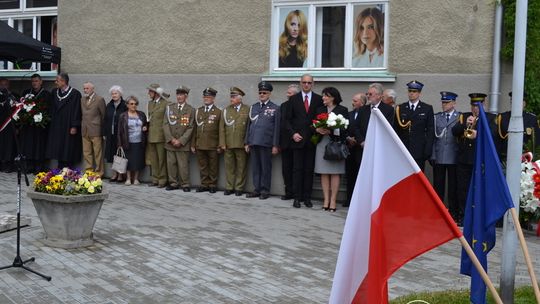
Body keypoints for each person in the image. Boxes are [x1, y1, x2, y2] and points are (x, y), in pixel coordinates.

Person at [452, 93, 496, 225]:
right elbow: (454, 131)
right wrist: (466, 124)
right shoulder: (464, 116)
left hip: (479, 159)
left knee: (479, 189)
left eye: (478, 106)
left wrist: (478, 134)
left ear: (483, 105)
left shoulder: (490, 118)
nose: (475, 108)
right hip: (464, 159)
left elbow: (493, 135)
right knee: (463, 189)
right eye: (473, 105)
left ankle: (479, 217)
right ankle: (463, 216)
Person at [284, 74, 323, 208]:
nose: (306, 85)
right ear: (300, 83)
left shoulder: (318, 99)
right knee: (297, 169)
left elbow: (320, 118)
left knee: (308, 169)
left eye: (309, 83)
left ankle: (307, 197)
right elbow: (287, 120)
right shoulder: (293, 99)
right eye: (304, 82)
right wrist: (293, 134)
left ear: (313, 84)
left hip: (312, 140)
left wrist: (318, 130)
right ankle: (297, 197)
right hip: (297, 139)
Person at [314, 87, 349, 212]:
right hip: (322, 143)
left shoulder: (342, 110)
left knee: (335, 172)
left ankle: (333, 200)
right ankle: (326, 200)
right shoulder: (320, 109)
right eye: (323, 95)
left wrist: (332, 130)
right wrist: (317, 129)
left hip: (335, 145)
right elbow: (313, 123)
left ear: (333, 97)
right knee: (323, 172)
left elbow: (345, 128)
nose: (323, 98)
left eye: (326, 96)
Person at [245, 82, 280, 200]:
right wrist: (247, 142)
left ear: (269, 93)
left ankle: (265, 190)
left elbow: (276, 128)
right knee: (256, 168)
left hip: (266, 142)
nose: (262, 94)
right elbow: (248, 126)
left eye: (264, 92)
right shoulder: (253, 107)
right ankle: (257, 189)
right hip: (254, 142)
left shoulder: (275, 108)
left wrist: (275, 145)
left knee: (266, 168)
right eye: (260, 92)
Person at [431, 91, 460, 221]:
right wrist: (432, 155)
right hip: (439, 156)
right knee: (438, 186)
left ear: (454, 103)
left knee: (453, 187)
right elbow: (433, 138)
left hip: (454, 156)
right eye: (443, 102)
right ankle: (438, 211)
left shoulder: (460, 117)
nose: (444, 105)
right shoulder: (437, 117)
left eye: (447, 102)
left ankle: (453, 212)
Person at [394, 80, 434, 171]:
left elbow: (430, 131)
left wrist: (427, 150)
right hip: (403, 149)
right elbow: (396, 129)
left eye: (414, 91)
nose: (411, 93)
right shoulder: (400, 108)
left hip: (419, 150)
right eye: (410, 91)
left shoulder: (427, 108)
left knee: (417, 177)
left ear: (419, 93)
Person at [45, 73, 82, 169]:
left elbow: (77, 110)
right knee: (58, 144)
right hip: (57, 124)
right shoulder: (54, 92)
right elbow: (51, 108)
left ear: (63, 81)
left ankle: (68, 166)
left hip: (68, 124)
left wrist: (74, 125)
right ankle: (60, 165)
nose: (55, 82)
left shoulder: (75, 94)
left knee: (68, 145)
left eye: (57, 80)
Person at [219, 87, 250, 196]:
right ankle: (229, 186)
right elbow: (221, 128)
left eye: (234, 97)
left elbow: (248, 128)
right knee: (229, 167)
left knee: (241, 167)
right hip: (228, 143)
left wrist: (247, 142)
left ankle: (239, 188)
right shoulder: (226, 110)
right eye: (231, 97)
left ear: (240, 98)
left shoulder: (247, 109)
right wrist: (222, 143)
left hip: (241, 144)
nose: (231, 99)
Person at [163, 86, 195, 192]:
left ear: (186, 96)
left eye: (181, 95)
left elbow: (191, 127)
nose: (179, 97)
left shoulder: (190, 109)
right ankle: (173, 183)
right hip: (170, 143)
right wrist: (171, 139)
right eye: (178, 95)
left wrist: (181, 141)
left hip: (183, 144)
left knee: (183, 166)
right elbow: (165, 124)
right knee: (171, 164)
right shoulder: (170, 108)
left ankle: (185, 184)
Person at [191, 87, 222, 193]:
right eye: (205, 97)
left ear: (213, 98)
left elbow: (220, 130)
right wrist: (193, 144)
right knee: (203, 166)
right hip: (200, 144)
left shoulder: (218, 112)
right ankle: (204, 184)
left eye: (208, 97)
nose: (206, 99)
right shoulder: (198, 111)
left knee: (213, 166)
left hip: (213, 144)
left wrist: (220, 144)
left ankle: (213, 184)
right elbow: (194, 128)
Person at [20, 73, 52, 173]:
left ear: (41, 82)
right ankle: (29, 166)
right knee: (29, 145)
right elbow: (22, 107)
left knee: (39, 146)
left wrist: (41, 117)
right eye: (33, 81)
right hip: (29, 126)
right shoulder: (26, 93)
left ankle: (39, 166)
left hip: (40, 126)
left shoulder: (46, 94)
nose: (34, 83)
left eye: (36, 81)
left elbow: (49, 109)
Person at [495, 91, 539, 160]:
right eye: (513, 101)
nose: (515, 104)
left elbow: (536, 142)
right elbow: (497, 139)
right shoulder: (503, 117)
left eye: (519, 102)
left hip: (525, 158)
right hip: (505, 157)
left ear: (524, 104)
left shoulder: (532, 119)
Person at [117, 96, 148, 185]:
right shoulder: (123, 116)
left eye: (135, 104)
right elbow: (119, 131)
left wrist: (146, 128)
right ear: (127, 105)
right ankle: (128, 179)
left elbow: (145, 125)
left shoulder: (141, 114)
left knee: (138, 160)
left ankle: (136, 179)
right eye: (131, 104)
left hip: (139, 141)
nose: (134, 105)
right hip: (127, 142)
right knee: (128, 161)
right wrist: (119, 143)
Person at [344, 92, 366, 207]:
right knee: (350, 175)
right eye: (353, 100)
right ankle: (349, 199)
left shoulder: (368, 114)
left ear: (362, 103)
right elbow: (345, 129)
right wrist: (348, 138)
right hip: (350, 149)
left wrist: (358, 140)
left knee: (360, 175)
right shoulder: (349, 114)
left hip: (361, 149)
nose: (353, 103)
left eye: (356, 101)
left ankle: (359, 202)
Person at [146, 83, 170, 188]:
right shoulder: (150, 103)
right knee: (153, 159)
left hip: (161, 136)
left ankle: (163, 179)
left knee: (161, 159)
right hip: (151, 135)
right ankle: (155, 179)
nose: (148, 93)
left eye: (150, 91)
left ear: (156, 93)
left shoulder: (166, 103)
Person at [81, 82, 106, 177]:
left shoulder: (99, 99)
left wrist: (102, 130)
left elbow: (103, 115)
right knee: (86, 152)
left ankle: (99, 172)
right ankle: (89, 171)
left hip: (96, 130)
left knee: (97, 153)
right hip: (85, 129)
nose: (85, 90)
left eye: (87, 88)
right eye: (84, 88)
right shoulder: (82, 99)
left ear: (92, 89)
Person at [279, 84, 300, 200]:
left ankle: (297, 192)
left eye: (290, 93)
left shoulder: (300, 106)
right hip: (285, 143)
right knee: (286, 169)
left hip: (297, 141)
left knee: (296, 169)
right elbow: (281, 124)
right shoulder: (283, 106)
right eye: (287, 93)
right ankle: (288, 192)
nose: (287, 95)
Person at [103, 85, 127, 182]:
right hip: (110, 134)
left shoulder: (124, 105)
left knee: (119, 154)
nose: (114, 95)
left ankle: (120, 175)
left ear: (120, 94)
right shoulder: (109, 105)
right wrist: (104, 133)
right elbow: (105, 119)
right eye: (112, 93)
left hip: (120, 134)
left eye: (116, 93)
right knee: (112, 154)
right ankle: (114, 174)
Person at [0, 87, 16, 173]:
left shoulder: (12, 97)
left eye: (5, 84)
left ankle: (8, 165)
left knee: (8, 146)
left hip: (9, 126)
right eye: (1, 84)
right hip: (1, 126)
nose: (3, 86)